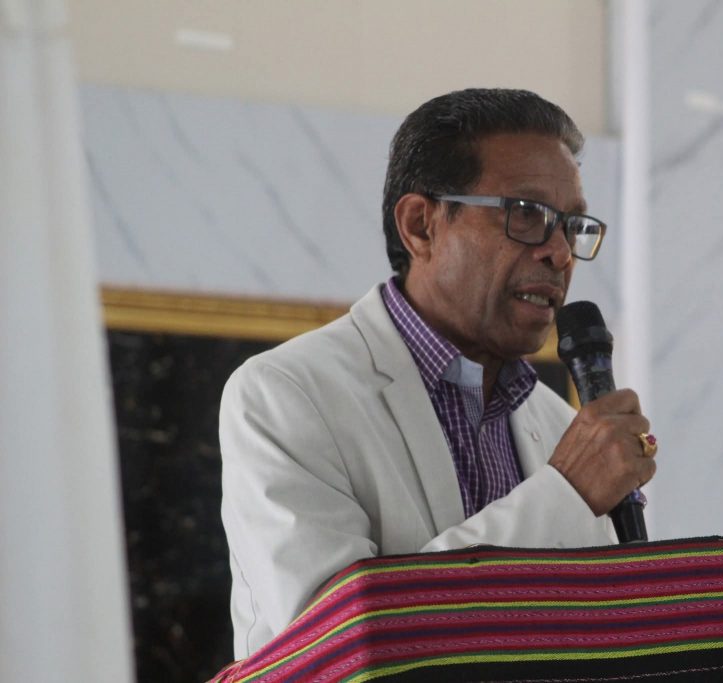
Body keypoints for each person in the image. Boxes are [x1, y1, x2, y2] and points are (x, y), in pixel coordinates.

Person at [219, 88, 658, 658]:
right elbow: (337, 645)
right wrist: (566, 494)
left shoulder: (559, 427)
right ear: (420, 225)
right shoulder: (285, 395)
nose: (561, 253)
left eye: (572, 225)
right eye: (527, 214)